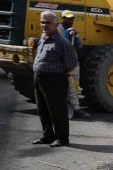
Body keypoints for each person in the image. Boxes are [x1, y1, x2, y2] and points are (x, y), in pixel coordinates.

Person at [31, 10, 78, 148]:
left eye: (48, 23)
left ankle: (62, 139)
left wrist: (58, 75)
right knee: (42, 109)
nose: (44, 25)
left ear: (56, 24)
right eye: (42, 22)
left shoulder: (62, 42)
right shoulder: (43, 38)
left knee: (57, 111)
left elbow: (71, 64)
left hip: (55, 81)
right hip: (39, 79)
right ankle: (47, 136)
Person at [58, 10, 88, 119]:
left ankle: (76, 107)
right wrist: (68, 35)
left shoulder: (73, 31)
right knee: (68, 87)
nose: (70, 20)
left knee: (75, 86)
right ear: (63, 18)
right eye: (68, 18)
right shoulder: (58, 30)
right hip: (64, 64)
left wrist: (75, 37)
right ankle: (74, 108)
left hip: (73, 62)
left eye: (72, 18)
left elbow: (79, 46)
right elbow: (62, 44)